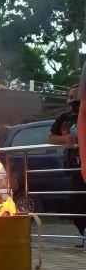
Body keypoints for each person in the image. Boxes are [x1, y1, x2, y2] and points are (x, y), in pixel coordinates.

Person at [50, 85, 86, 244]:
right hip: (74, 169)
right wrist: (65, 139)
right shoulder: (64, 117)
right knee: (74, 206)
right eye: (70, 97)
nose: (72, 100)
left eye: (76, 97)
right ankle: (84, 232)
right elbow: (50, 138)